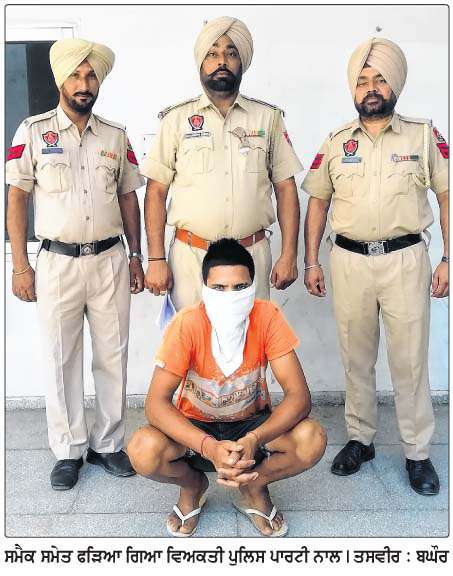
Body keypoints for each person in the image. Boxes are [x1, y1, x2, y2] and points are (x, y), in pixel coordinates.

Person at [302, 38, 448, 495]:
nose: (371, 88)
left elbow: (446, 195)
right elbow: (317, 202)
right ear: (353, 89)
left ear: (395, 85)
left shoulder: (423, 136)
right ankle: (360, 439)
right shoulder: (336, 141)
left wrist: (448, 258)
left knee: (410, 361)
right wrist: (311, 261)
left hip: (406, 260)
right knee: (356, 357)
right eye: (363, 80)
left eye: (380, 79)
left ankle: (417, 452)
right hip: (349, 262)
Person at [6, 38, 146, 490]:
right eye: (75, 76)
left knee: (113, 355)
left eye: (90, 76)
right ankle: (68, 451)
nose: (83, 84)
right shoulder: (32, 132)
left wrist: (137, 256)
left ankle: (107, 444)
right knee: (60, 357)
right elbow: (17, 197)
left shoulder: (115, 135)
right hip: (57, 262)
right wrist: (21, 265)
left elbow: (129, 197)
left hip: (109, 260)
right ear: (60, 81)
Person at [128, 238, 326, 537]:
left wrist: (254, 439)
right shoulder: (187, 323)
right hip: (195, 428)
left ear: (253, 287)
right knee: (142, 449)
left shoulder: (267, 316)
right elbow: (156, 403)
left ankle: (254, 485)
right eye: (219, 288)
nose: (230, 297)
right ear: (204, 288)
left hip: (252, 425)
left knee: (312, 439)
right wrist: (208, 446)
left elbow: (299, 396)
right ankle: (192, 485)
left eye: (240, 287)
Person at [141, 16, 303, 310]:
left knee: (251, 338)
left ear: (242, 62)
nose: (222, 61)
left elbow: (286, 188)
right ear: (201, 63)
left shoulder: (267, 118)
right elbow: (156, 192)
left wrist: (289, 254)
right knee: (192, 338)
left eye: (231, 53)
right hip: (191, 258)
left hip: (251, 256)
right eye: (212, 54)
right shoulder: (176, 120)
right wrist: (155, 258)